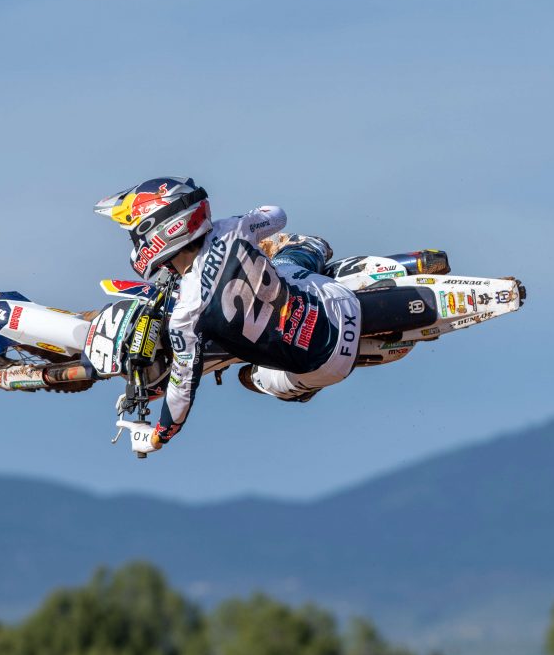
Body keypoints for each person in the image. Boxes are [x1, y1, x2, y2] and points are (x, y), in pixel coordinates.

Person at [95, 176, 361, 452]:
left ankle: (302, 390)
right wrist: (251, 218)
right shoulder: (232, 229)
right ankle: (311, 247)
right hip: (340, 304)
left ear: (156, 229)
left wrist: (156, 437)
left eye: (134, 234)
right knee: (284, 263)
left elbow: (181, 391)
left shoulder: (185, 315)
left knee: (252, 378)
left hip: (331, 366)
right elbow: (277, 215)